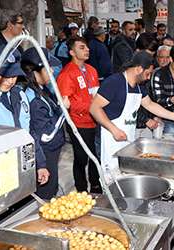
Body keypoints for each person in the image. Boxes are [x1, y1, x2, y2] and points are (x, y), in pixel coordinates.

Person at [89, 51, 174, 181]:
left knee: (125, 178)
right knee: (111, 179)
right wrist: (113, 129)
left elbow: (150, 105)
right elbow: (94, 108)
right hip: (108, 138)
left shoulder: (139, 87)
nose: (148, 78)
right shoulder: (114, 82)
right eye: (147, 74)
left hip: (126, 138)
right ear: (138, 69)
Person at [0, 45, 49, 190]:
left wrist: (40, 163)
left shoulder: (20, 95)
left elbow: (28, 132)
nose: (10, 81)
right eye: (4, 76)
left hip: (19, 168)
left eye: (13, 75)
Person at [57, 37, 102, 193]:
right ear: (71, 52)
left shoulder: (92, 70)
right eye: (82, 47)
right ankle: (81, 188)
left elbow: (96, 93)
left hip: (96, 119)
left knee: (96, 156)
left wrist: (99, 107)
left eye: (87, 47)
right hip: (78, 122)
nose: (87, 50)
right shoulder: (66, 74)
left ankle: (96, 185)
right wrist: (91, 107)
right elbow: (66, 103)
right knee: (81, 157)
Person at [21, 47, 65, 199]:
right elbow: (45, 135)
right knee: (45, 194)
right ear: (34, 71)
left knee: (51, 189)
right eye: (48, 68)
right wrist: (62, 111)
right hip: (44, 153)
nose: (52, 72)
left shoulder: (42, 90)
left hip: (51, 152)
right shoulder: (33, 98)